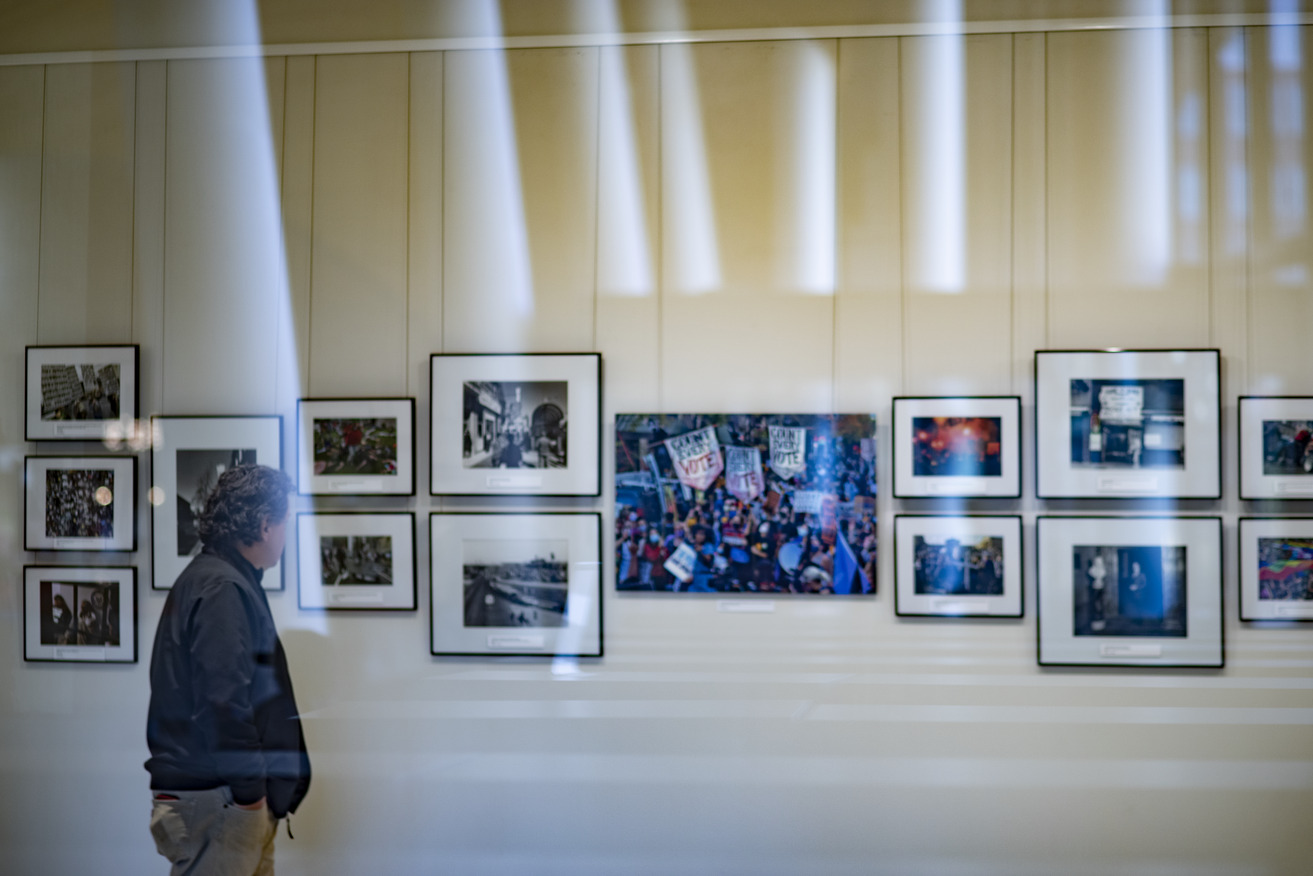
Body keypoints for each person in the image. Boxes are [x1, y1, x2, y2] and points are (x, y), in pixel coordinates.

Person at [146, 465, 311, 875]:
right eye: (287, 521)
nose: (288, 535)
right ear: (264, 524)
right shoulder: (221, 588)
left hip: (223, 798)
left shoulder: (223, 579)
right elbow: (223, 704)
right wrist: (252, 798)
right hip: (221, 802)